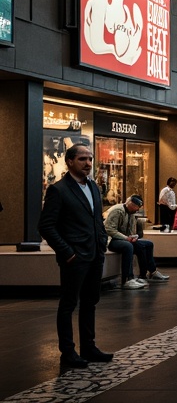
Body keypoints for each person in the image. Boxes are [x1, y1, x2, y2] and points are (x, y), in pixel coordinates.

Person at [37, 144, 114, 368]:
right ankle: (67, 352)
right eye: (82, 159)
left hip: (95, 254)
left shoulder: (93, 187)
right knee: (69, 304)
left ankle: (88, 347)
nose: (88, 163)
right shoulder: (58, 190)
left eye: (90, 159)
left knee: (90, 302)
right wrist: (67, 252)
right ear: (70, 161)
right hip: (75, 257)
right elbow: (46, 226)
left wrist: (102, 244)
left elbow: (96, 219)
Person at [105, 195, 168, 289]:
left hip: (122, 238)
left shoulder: (131, 213)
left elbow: (130, 231)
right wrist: (126, 238)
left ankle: (148, 273)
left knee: (147, 244)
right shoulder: (117, 211)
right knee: (128, 246)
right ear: (132, 204)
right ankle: (127, 279)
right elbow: (109, 230)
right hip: (111, 239)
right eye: (137, 206)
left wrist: (134, 237)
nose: (138, 209)